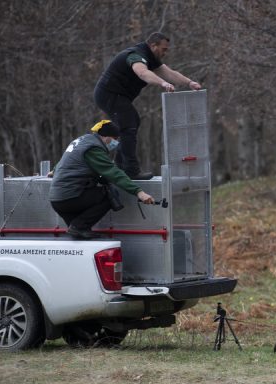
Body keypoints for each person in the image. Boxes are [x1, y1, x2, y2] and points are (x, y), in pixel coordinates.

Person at [94, 32, 202, 180]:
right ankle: (131, 170)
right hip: (108, 94)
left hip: (117, 96)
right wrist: (162, 83)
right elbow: (142, 73)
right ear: (153, 46)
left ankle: (119, 166)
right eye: (163, 49)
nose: (165, 53)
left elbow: (169, 73)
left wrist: (190, 82)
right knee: (129, 124)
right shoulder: (136, 55)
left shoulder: (151, 58)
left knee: (131, 124)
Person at [49, 120, 155, 240]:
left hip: (57, 199)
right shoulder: (93, 149)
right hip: (70, 197)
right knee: (109, 195)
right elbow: (113, 172)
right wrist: (139, 192)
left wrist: (54, 170)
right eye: (115, 138)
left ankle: (79, 229)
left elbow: (66, 159)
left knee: (80, 237)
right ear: (105, 136)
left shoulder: (82, 141)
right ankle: (79, 227)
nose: (116, 142)